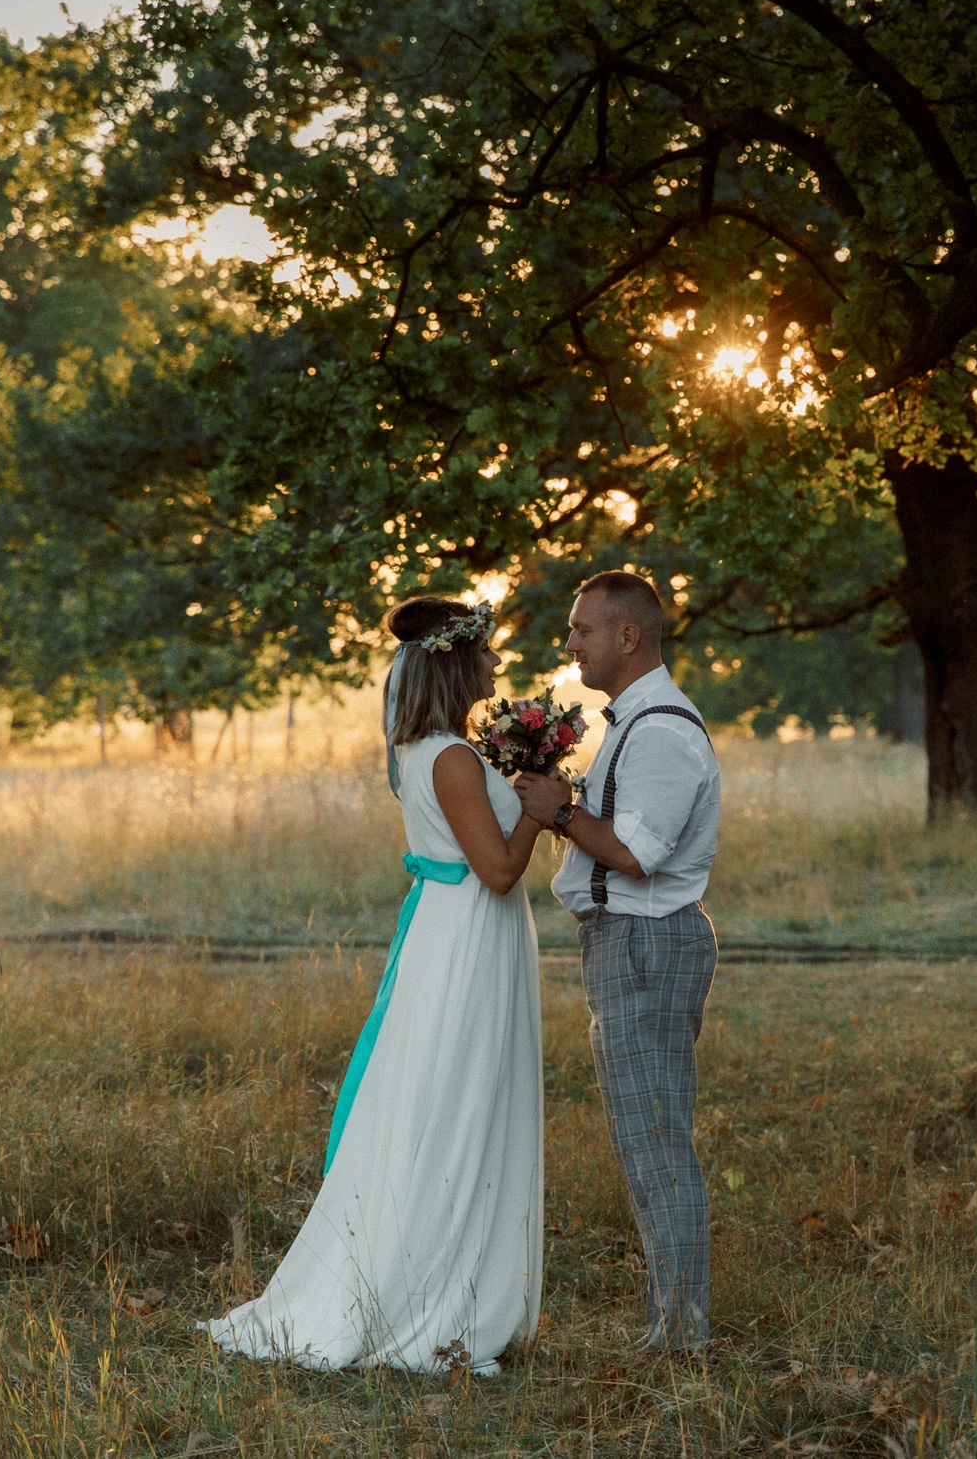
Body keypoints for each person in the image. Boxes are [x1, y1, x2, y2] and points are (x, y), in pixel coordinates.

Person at [202, 597, 548, 1375]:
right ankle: (430, 1298)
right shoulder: (451, 757)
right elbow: (496, 869)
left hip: (454, 933)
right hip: (465, 937)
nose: (496, 666)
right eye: (487, 654)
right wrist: (540, 807)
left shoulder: (430, 749)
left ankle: (448, 1276)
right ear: (457, 663)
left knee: (447, 1099)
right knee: (454, 1102)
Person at [513, 572, 723, 1355]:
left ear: (627, 636)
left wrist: (561, 812)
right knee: (645, 1137)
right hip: (626, 942)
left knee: (656, 1139)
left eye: (582, 630)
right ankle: (673, 1324)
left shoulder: (663, 729)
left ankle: (681, 1337)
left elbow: (634, 854)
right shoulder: (634, 722)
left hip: (647, 942)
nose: (571, 643)